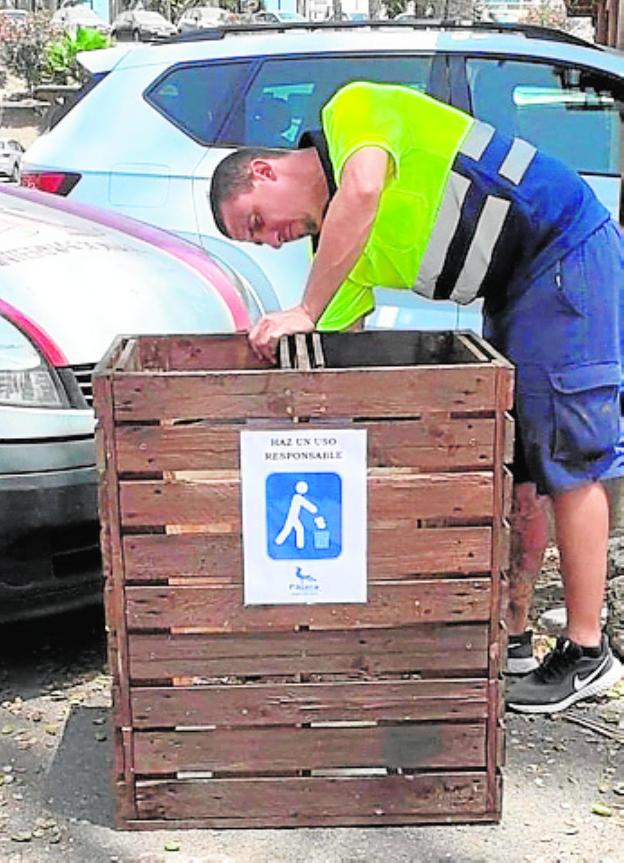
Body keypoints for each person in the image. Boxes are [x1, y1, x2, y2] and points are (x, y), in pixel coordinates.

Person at [209, 80, 624, 713]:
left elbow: (366, 188)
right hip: (515, 286)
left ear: (264, 171)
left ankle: (587, 652)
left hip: (565, 247)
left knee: (571, 456)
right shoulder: (339, 248)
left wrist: (303, 307)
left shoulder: (351, 111)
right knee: (520, 462)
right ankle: (511, 637)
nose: (271, 240)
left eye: (257, 222)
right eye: (257, 240)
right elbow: (328, 347)